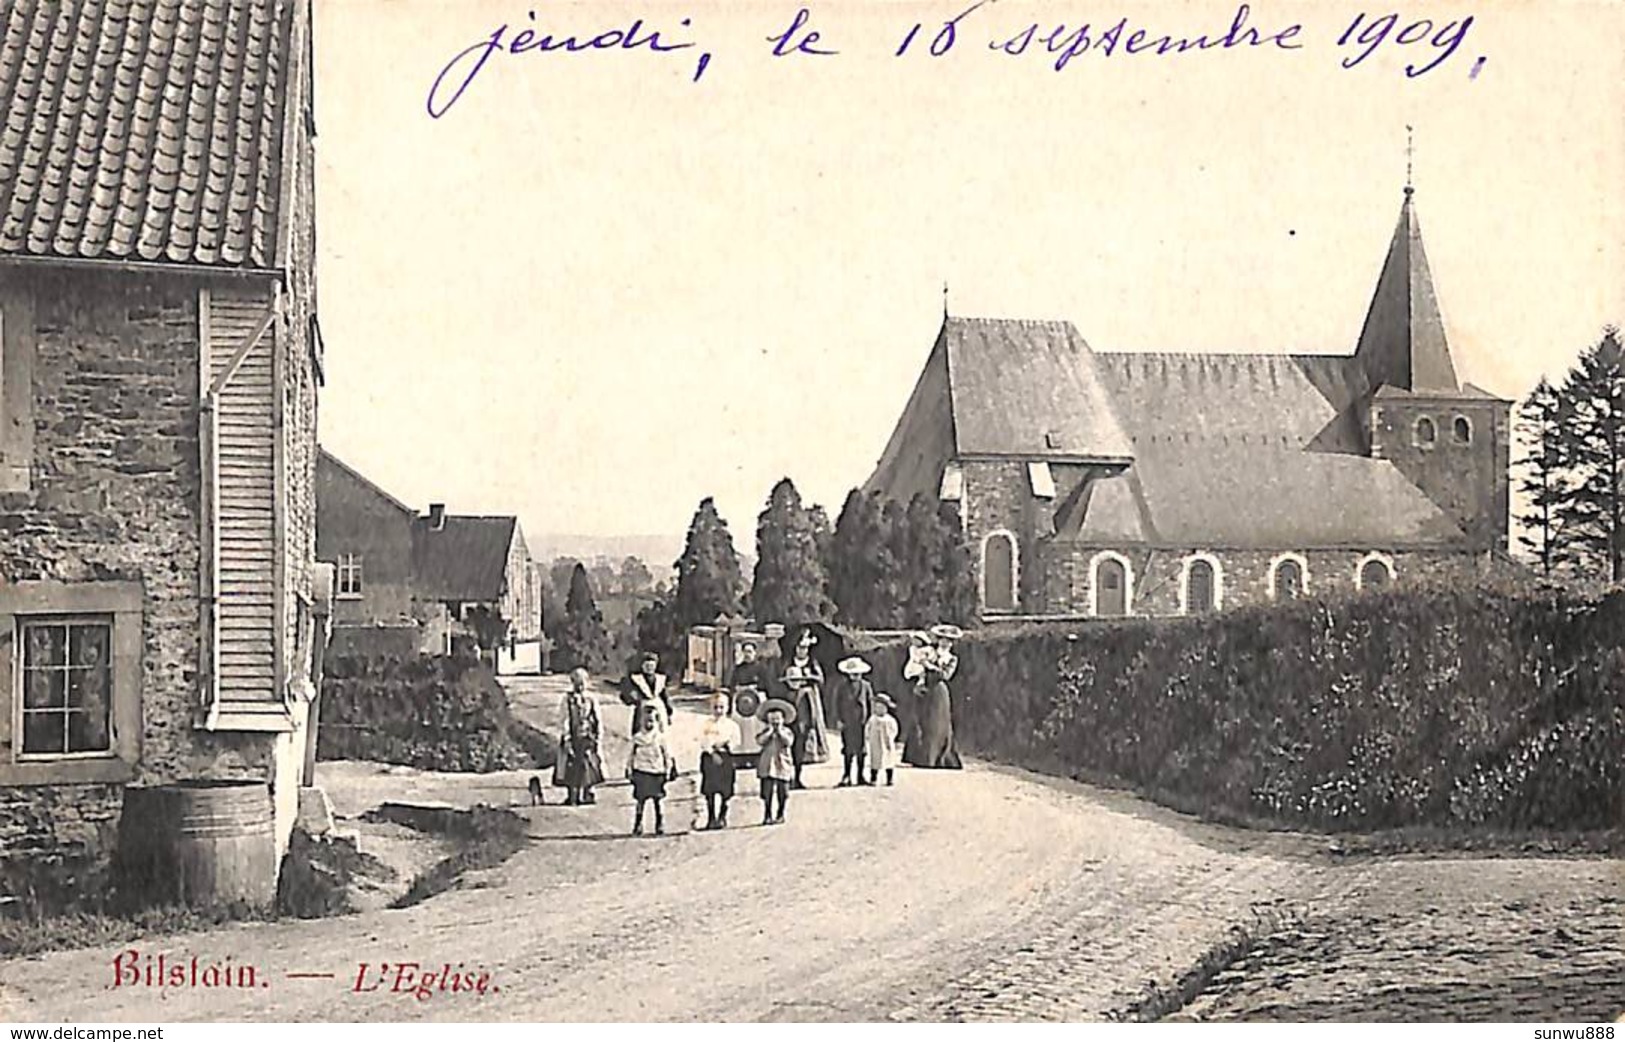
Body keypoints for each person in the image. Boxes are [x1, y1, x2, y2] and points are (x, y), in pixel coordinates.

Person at [903, 623, 963, 769]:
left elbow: (946, 675)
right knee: (921, 720)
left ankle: (938, 758)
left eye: (948, 640)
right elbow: (916, 666)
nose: (944, 642)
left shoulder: (951, 658)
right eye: (942, 639)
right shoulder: (928, 651)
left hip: (938, 691)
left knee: (937, 723)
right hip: (924, 688)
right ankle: (919, 757)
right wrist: (918, 681)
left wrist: (931, 666)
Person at [781, 629, 829, 788]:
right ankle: (787, 776)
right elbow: (781, 678)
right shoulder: (789, 662)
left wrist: (808, 676)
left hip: (808, 696)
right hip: (791, 695)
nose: (802, 651)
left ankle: (799, 773)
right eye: (799, 647)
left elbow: (821, 679)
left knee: (804, 735)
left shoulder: (812, 662)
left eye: (805, 648)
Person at [626, 703, 675, 836]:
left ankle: (659, 824)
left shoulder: (660, 738)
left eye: (652, 721)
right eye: (646, 721)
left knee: (657, 800)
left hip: (656, 772)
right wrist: (629, 769)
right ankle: (638, 824)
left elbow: (667, 755)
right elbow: (630, 755)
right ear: (641, 721)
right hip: (641, 771)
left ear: (657, 721)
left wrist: (668, 769)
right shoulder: (637, 738)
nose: (649, 724)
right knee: (640, 800)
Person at [556, 667, 604, 805]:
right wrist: (566, 737)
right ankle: (572, 794)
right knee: (571, 765)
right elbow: (563, 718)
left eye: (583, 682)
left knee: (589, 764)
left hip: (587, 736)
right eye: (577, 683)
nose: (581, 686)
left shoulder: (591, 698)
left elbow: (597, 718)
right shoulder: (567, 698)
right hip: (573, 735)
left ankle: (588, 792)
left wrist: (597, 735)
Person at [698, 691, 741, 829]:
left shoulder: (732, 725)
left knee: (726, 788)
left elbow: (736, 740)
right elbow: (702, 740)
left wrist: (727, 745)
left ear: (727, 707)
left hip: (726, 757)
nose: (718, 711)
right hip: (710, 758)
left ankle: (723, 815)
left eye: (721, 707)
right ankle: (711, 817)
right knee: (710, 789)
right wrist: (711, 750)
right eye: (715, 707)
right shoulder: (706, 724)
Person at [834, 656, 876, 787]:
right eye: (852, 673)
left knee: (861, 750)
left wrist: (870, 719)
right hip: (847, 721)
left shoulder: (866, 686)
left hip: (861, 721)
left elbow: (870, 703)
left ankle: (860, 775)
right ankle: (846, 775)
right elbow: (836, 703)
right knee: (847, 749)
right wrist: (839, 719)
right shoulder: (842, 686)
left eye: (857, 673)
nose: (855, 676)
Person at [757, 699, 796, 825]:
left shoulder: (787, 732)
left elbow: (788, 742)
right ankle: (767, 813)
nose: (775, 722)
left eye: (778, 719)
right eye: (772, 719)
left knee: (783, 791)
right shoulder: (764, 732)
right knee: (767, 791)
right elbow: (760, 741)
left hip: (782, 764)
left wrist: (779, 731)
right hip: (767, 764)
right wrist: (769, 732)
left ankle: (780, 813)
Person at [621, 651, 673, 732]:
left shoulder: (660, 679)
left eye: (652, 665)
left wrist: (669, 712)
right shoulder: (636, 679)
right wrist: (633, 698)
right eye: (647, 665)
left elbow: (665, 697)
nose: (649, 668)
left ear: (655, 666)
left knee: (659, 733)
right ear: (642, 666)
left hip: (658, 709)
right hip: (642, 710)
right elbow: (627, 694)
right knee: (642, 733)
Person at [866, 693, 901, 787]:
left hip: (887, 743)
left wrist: (891, 737)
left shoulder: (889, 720)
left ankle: (889, 778)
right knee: (875, 761)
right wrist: (869, 737)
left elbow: (895, 729)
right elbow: (868, 729)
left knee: (889, 760)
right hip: (876, 743)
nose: (879, 710)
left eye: (882, 708)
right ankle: (874, 778)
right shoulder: (873, 719)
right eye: (877, 708)